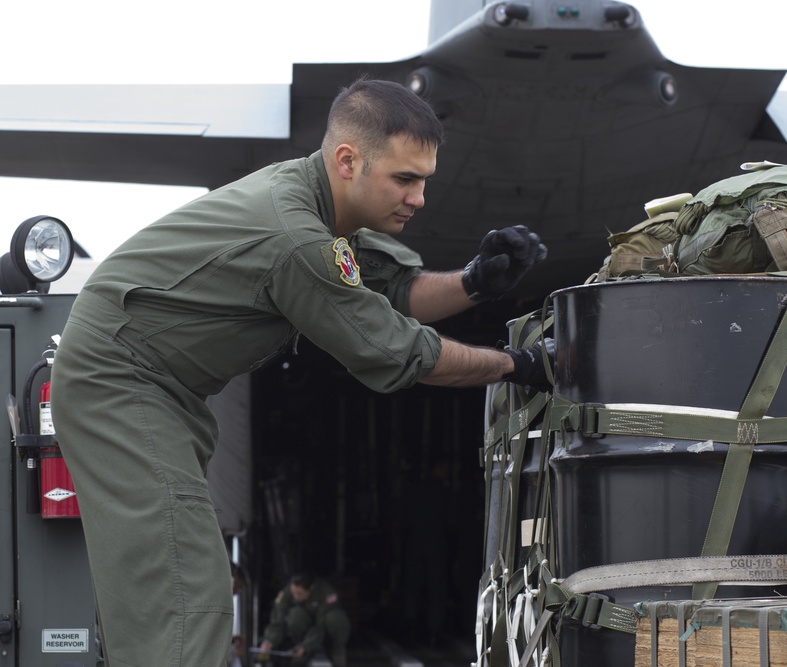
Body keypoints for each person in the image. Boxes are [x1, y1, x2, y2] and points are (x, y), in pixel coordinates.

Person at [51, 77, 551, 667]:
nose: (419, 198)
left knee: (170, 588)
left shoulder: (318, 209)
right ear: (347, 160)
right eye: (405, 179)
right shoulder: (297, 237)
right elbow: (396, 351)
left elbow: (394, 290)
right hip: (120, 381)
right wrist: (519, 365)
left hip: (160, 390)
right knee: (184, 594)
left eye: (424, 180)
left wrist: (474, 282)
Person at [258, 573, 350, 666]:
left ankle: (337, 650)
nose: (295, 597)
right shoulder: (287, 592)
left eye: (300, 594)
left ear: (311, 589)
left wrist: (306, 646)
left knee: (335, 618)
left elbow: (319, 628)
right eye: (293, 593)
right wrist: (269, 641)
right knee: (295, 615)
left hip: (323, 627)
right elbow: (278, 620)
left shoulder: (327, 593)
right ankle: (300, 652)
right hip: (302, 627)